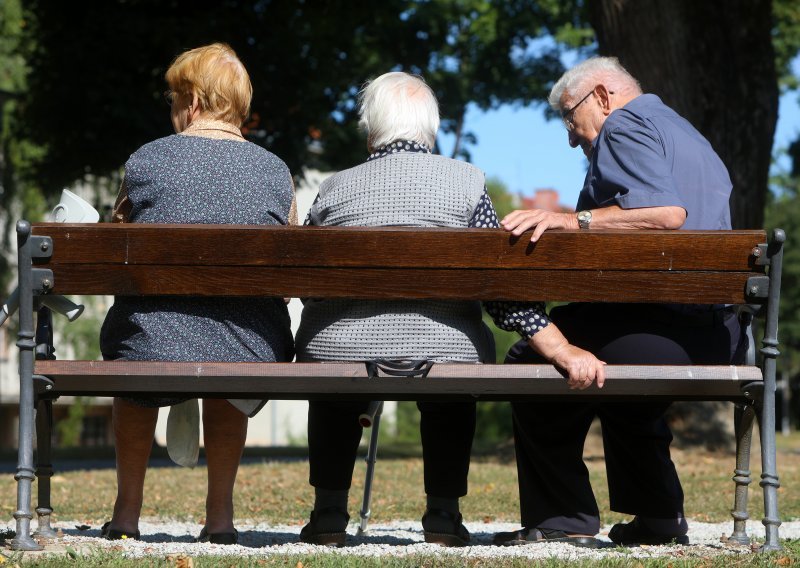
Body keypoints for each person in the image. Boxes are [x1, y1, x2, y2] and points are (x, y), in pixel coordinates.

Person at [294, 71, 604, 548]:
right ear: (430, 128)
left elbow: (309, 283)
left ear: (371, 127)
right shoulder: (466, 184)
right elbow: (498, 285)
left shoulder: (335, 188)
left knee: (336, 373)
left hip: (341, 347)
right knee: (452, 377)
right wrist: (556, 344)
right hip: (445, 346)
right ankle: (442, 513)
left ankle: (329, 513)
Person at [494, 56, 746, 547]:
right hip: (720, 335)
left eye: (570, 117)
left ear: (603, 97)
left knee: (533, 357)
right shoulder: (688, 133)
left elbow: (666, 213)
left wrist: (574, 221)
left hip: (665, 329)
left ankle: (562, 518)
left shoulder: (624, 126)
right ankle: (657, 518)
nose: (571, 136)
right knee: (621, 374)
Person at [99, 43, 295, 544]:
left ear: (192, 101)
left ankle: (126, 513)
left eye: (172, 100)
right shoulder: (275, 172)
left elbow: (118, 238)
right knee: (231, 335)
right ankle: (220, 517)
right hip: (250, 347)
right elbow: (291, 267)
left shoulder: (146, 160)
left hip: (150, 341)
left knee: (140, 349)